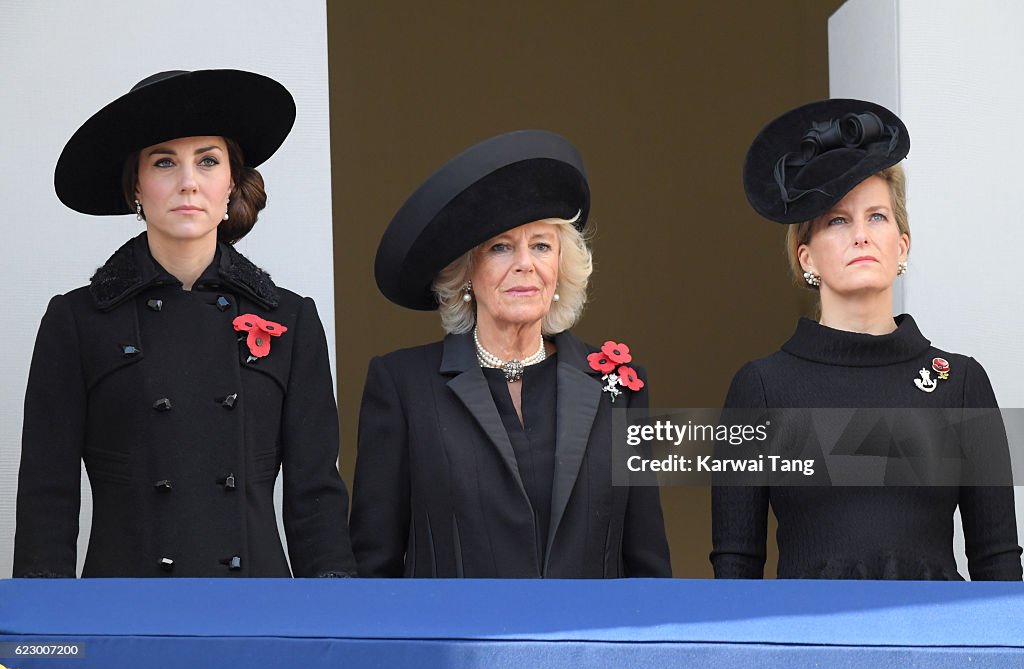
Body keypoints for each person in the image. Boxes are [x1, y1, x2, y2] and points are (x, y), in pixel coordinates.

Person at [14, 69, 357, 578]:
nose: (188, 183)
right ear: (136, 185)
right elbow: (47, 496)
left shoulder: (291, 319)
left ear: (231, 184)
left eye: (208, 161)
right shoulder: (77, 321)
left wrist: (333, 625)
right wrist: (46, 637)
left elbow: (315, 496)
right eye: (165, 162)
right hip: (123, 612)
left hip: (259, 614)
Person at [710, 99, 1022, 580]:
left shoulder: (961, 383)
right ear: (806, 257)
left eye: (877, 216)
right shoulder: (761, 388)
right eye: (837, 220)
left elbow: (998, 561)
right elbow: (736, 569)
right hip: (809, 650)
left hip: (936, 649)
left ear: (902, 245)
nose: (861, 235)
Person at [350, 130, 671, 578]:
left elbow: (647, 564)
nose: (525, 263)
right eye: (500, 247)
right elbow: (374, 565)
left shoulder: (617, 387)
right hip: (457, 646)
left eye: (540, 244)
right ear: (466, 272)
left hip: (588, 645)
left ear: (560, 267)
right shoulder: (403, 386)